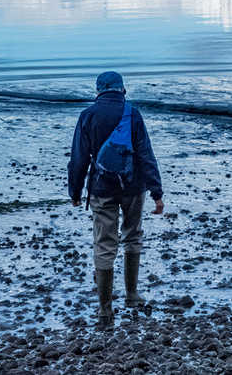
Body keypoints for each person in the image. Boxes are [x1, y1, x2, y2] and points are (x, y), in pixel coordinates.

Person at [68, 71, 164, 328]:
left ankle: (104, 310)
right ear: (123, 89)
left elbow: (78, 159)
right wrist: (157, 192)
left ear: (98, 90)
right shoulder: (133, 114)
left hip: (101, 189)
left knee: (104, 243)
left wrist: (75, 192)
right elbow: (146, 153)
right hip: (133, 187)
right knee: (133, 235)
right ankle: (132, 295)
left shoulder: (88, 115)